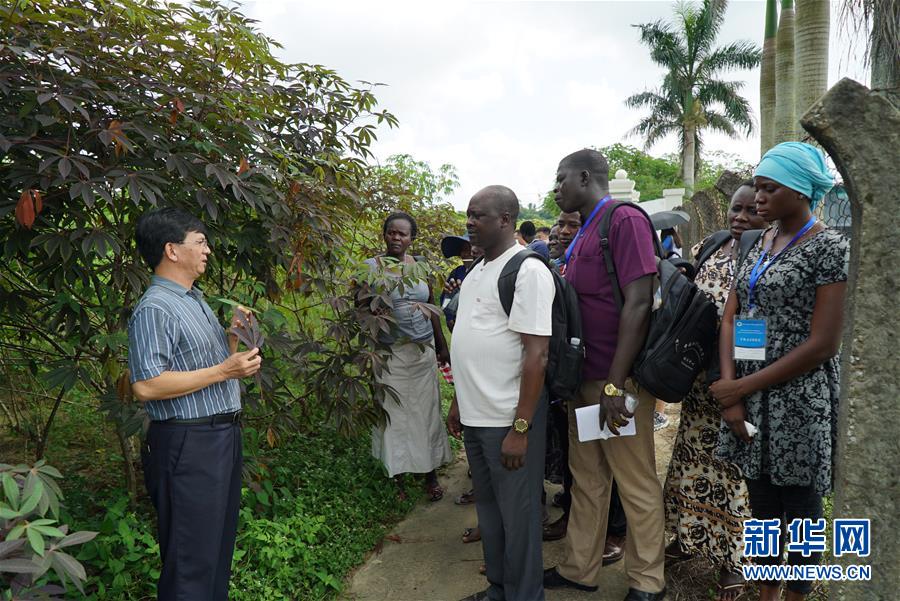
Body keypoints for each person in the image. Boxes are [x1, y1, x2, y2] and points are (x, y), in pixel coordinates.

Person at [711, 142, 848, 601]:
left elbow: (824, 343)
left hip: (799, 398)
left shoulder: (829, 248)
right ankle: (767, 593)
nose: (759, 197)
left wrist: (739, 387)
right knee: (763, 507)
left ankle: (797, 593)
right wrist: (732, 391)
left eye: (770, 188)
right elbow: (731, 317)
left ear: (801, 191)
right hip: (750, 395)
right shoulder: (760, 242)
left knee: (802, 510)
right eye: (758, 187)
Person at [544, 149, 666, 601]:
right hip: (585, 380)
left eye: (560, 179)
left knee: (634, 480)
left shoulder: (623, 220)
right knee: (589, 477)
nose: (556, 189)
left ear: (583, 177)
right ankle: (579, 569)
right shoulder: (584, 229)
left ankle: (648, 581)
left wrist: (615, 384)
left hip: (616, 383)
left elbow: (639, 302)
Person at [128, 207, 262, 600]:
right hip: (188, 444)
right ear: (171, 250)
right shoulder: (156, 307)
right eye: (200, 242)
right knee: (190, 560)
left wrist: (234, 340)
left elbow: (210, 368)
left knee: (215, 550)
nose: (207, 250)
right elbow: (146, 385)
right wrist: (224, 370)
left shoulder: (194, 299)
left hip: (221, 438)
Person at [448, 185, 555, 601]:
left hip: (507, 421)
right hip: (476, 417)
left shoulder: (526, 271)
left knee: (519, 519)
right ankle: (499, 588)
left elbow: (537, 355)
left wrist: (521, 427)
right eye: (468, 215)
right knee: (490, 515)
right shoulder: (478, 269)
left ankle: (525, 594)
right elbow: (469, 341)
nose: (470, 223)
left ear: (506, 220)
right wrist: (458, 401)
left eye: (479, 215)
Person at [664, 181, 767, 601]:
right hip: (697, 385)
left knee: (733, 476)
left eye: (750, 211)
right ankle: (688, 537)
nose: (740, 217)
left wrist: (734, 385)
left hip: (734, 386)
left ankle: (732, 562)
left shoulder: (766, 256)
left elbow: (755, 329)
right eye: (736, 209)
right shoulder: (711, 245)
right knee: (691, 463)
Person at [365, 211, 452, 502]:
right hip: (389, 353)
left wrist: (441, 345)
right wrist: (372, 311)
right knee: (395, 415)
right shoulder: (371, 268)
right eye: (391, 232)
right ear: (384, 235)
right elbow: (359, 307)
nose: (396, 238)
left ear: (411, 238)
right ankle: (398, 475)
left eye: (402, 234)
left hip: (422, 352)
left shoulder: (421, 266)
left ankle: (429, 473)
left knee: (425, 412)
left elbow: (432, 307)